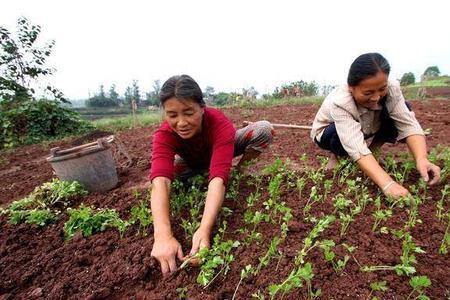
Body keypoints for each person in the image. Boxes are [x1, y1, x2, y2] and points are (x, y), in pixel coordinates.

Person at [149, 75, 274, 275]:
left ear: (202, 107)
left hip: (222, 151)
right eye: (172, 115)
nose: (181, 122)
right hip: (191, 163)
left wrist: (204, 229)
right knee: (166, 171)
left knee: (263, 129)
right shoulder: (164, 135)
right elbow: (160, 182)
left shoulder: (218, 123)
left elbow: (217, 181)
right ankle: (205, 171)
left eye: (189, 113)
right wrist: (162, 235)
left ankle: (238, 171)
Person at [310, 53, 440, 199]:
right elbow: (355, 146)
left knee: (404, 108)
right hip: (329, 133)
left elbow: (408, 124)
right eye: (368, 92)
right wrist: (388, 184)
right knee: (339, 135)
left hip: (367, 126)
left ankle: (372, 152)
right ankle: (335, 156)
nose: (376, 97)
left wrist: (422, 159)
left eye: (381, 89)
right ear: (351, 87)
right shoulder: (341, 102)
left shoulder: (391, 89)